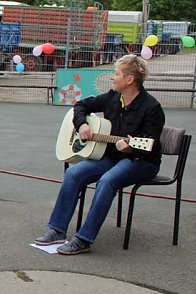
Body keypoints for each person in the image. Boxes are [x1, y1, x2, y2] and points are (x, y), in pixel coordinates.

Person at [35, 55, 165, 255]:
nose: (112, 77)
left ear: (129, 79)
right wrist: (83, 124)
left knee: (107, 181)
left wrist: (131, 147)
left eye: (116, 73)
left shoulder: (152, 108)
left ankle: (84, 239)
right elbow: (80, 106)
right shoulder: (113, 98)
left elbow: (150, 145)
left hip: (141, 161)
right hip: (112, 157)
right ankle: (57, 230)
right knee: (73, 173)